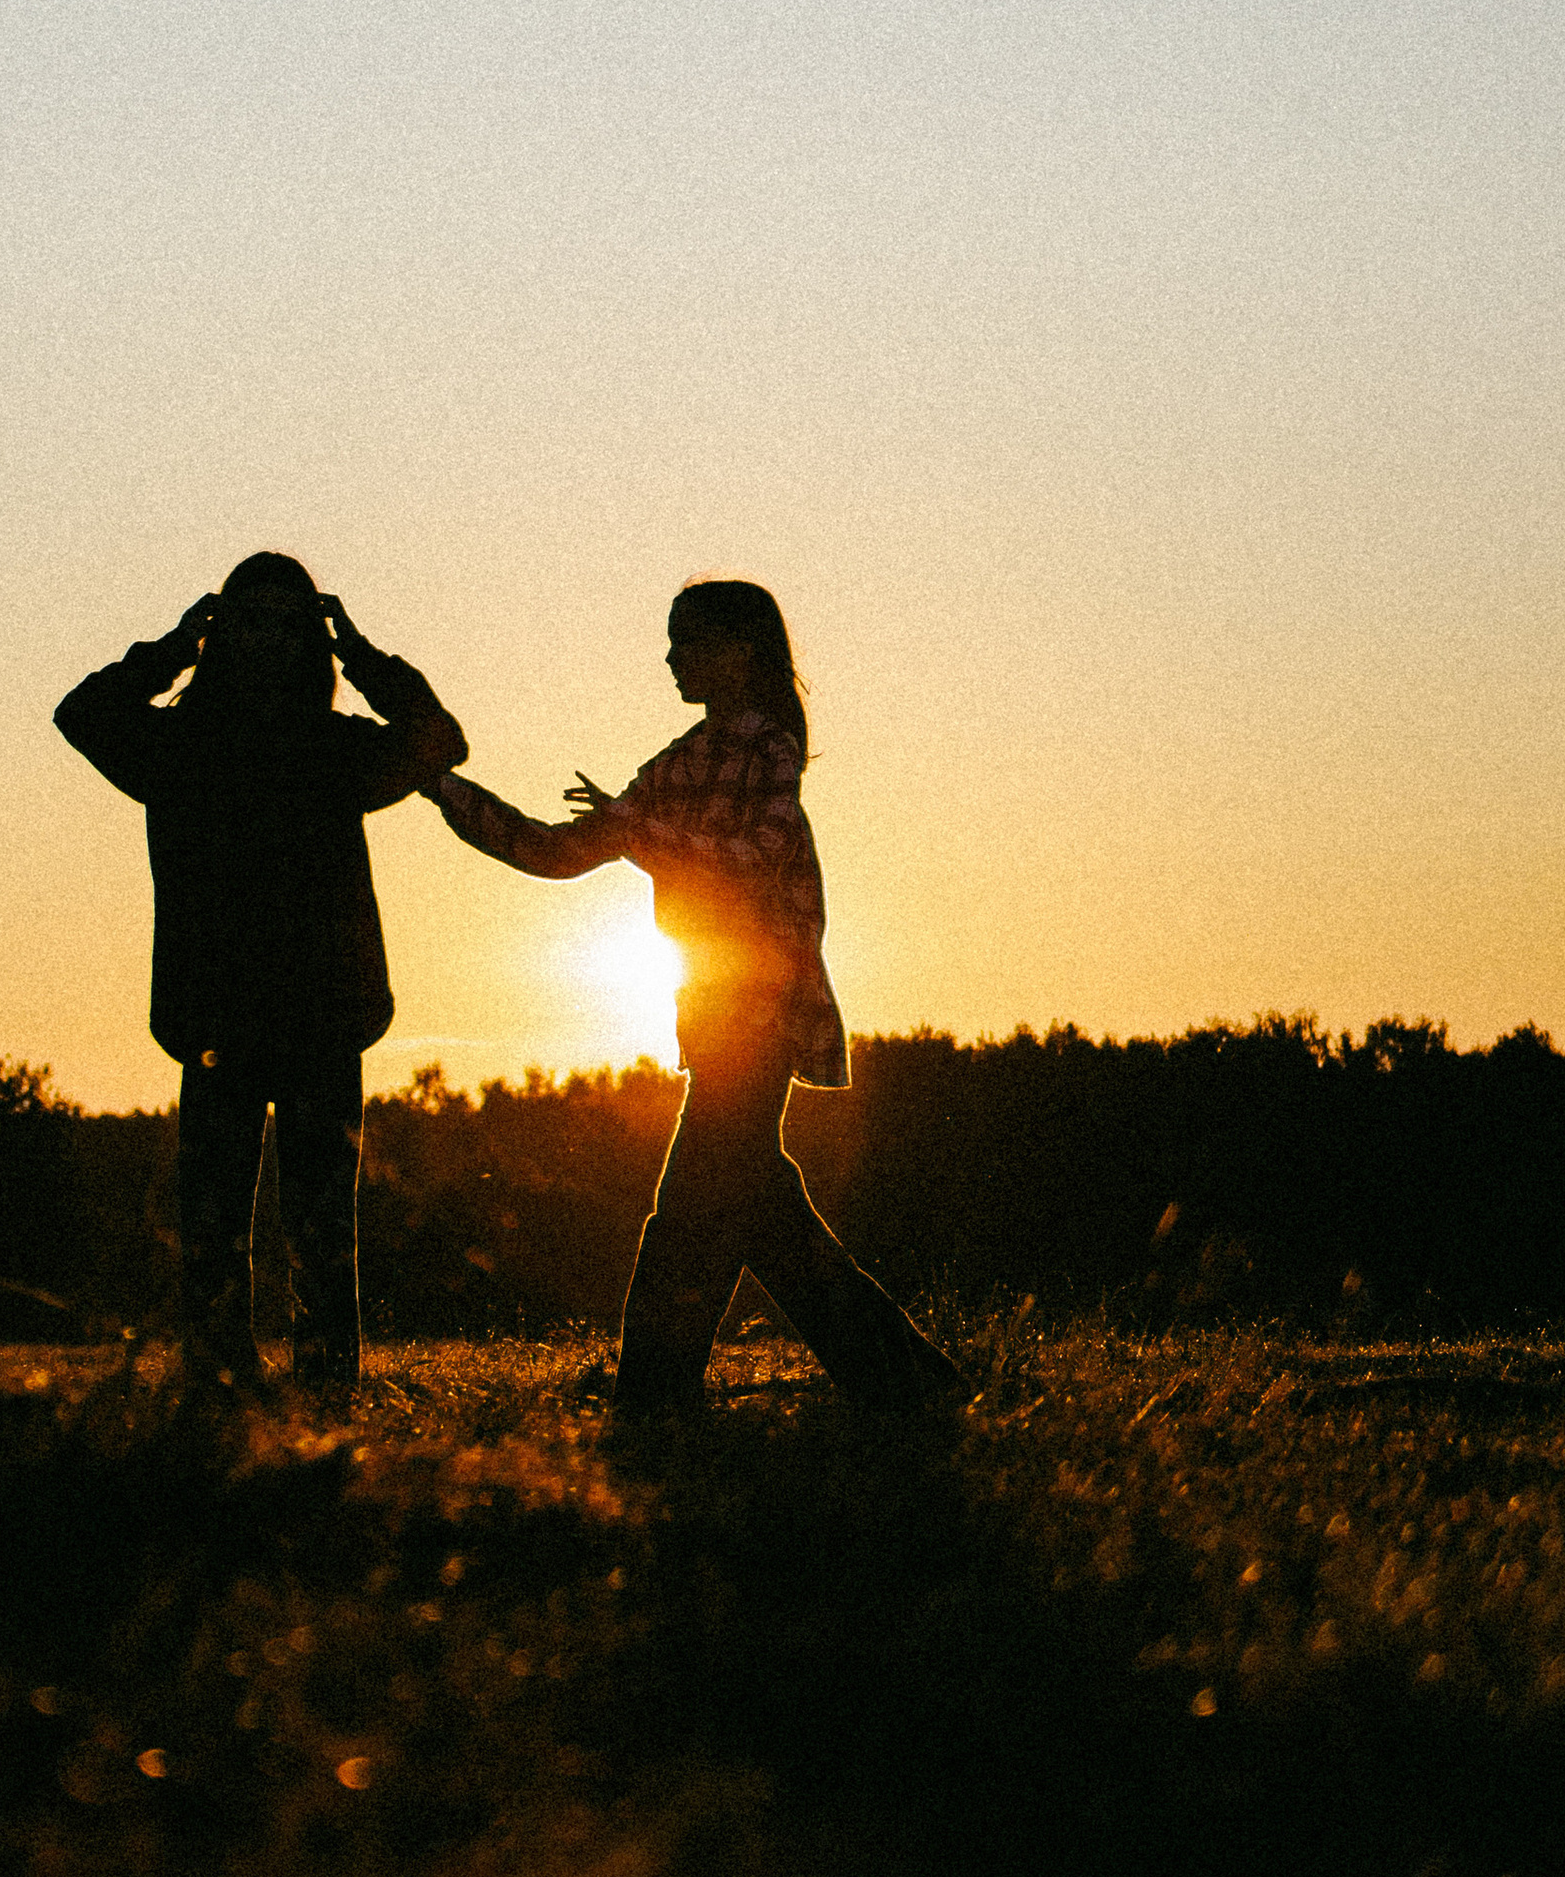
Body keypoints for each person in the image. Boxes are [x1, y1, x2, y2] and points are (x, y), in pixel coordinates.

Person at [427, 577, 962, 1423]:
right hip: (713, 1017)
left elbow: (757, 851)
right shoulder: (674, 765)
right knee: (756, 1212)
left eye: (688, 640)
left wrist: (640, 831)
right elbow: (555, 851)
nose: (672, 657)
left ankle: (655, 1398)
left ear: (741, 653)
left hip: (766, 1014)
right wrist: (442, 787)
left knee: (689, 1212)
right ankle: (904, 1381)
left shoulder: (768, 749)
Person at [55, 554, 464, 1407]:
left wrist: (358, 652)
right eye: (253, 620)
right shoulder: (178, 746)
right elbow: (82, 714)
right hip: (217, 1022)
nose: (272, 640)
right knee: (212, 1229)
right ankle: (220, 1389)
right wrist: (171, 647)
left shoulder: (324, 749)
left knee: (319, 1233)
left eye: (291, 624)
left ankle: (324, 1398)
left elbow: (438, 741)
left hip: (322, 1018)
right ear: (222, 634)